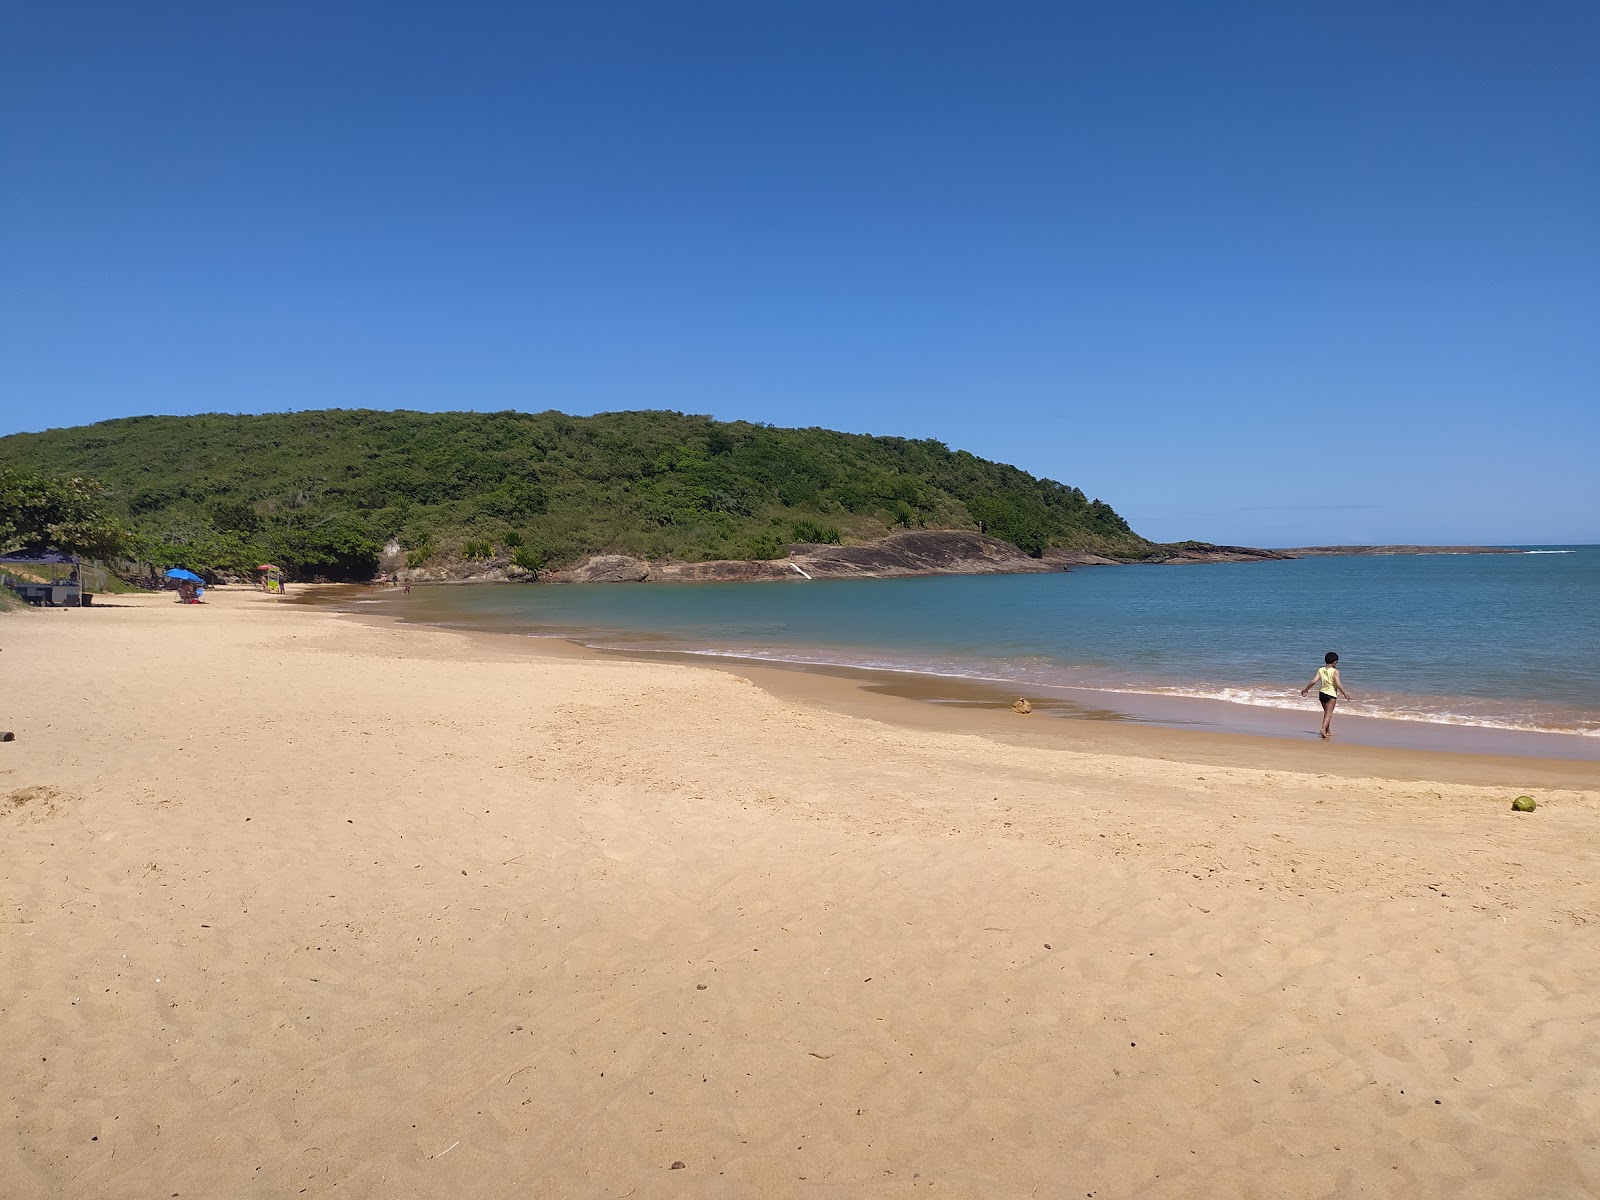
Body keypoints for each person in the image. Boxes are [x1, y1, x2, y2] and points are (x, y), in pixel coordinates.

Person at [1301, 651, 1353, 739]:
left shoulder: (1321, 670)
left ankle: (1327, 731)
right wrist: (1345, 694)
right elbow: (1338, 683)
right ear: (1335, 662)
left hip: (1322, 693)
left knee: (1326, 713)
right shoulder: (1335, 671)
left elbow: (1314, 681)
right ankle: (1323, 729)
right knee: (1329, 713)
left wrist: (1306, 689)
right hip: (1331, 694)